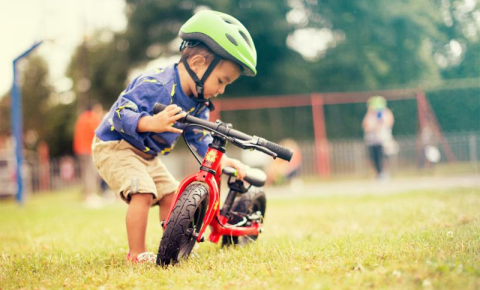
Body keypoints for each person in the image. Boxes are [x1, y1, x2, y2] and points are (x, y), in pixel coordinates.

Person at [92, 10, 257, 263]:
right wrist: (150, 122)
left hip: (146, 154)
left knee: (172, 194)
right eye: (221, 81)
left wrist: (223, 163)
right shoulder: (156, 84)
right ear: (198, 64)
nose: (221, 90)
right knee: (143, 192)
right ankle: (135, 255)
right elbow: (120, 113)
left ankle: (169, 247)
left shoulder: (198, 101)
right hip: (116, 145)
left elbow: (199, 139)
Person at [73, 101, 104, 206]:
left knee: (85, 172)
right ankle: (90, 195)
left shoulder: (81, 118)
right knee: (91, 172)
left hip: (80, 149)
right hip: (88, 149)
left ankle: (86, 195)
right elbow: (99, 132)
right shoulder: (92, 118)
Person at [362, 96, 395, 180]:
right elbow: (365, 126)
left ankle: (384, 174)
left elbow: (388, 123)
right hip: (372, 140)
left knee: (383, 157)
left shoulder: (386, 113)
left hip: (383, 139)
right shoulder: (369, 114)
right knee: (374, 158)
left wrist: (378, 125)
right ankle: (378, 174)